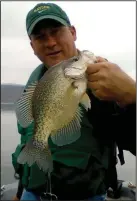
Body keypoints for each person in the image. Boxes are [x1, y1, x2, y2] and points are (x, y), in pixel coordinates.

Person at [12, 2, 136, 200]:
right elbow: (28, 140)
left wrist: (133, 96)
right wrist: (20, 191)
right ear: (32, 45)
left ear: (73, 32)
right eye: (40, 36)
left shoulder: (105, 80)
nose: (51, 42)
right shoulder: (36, 84)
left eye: (56, 31)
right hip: (31, 193)